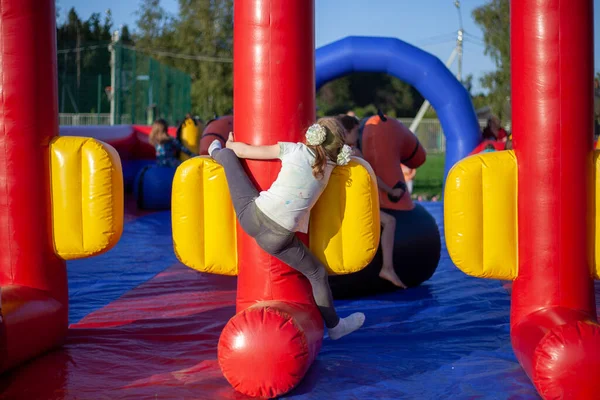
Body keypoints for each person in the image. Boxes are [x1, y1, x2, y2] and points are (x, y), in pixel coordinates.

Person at [207, 117, 365, 340]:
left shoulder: (295, 150)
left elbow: (244, 151)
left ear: (313, 134)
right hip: (277, 239)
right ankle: (334, 325)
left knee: (230, 158)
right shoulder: (331, 167)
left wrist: (231, 144)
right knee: (317, 274)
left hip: (253, 216)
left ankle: (215, 150)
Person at [337, 114, 407, 289]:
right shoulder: (353, 152)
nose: (358, 135)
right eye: (356, 131)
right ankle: (387, 267)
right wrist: (391, 191)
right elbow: (372, 177)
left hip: (340, 204)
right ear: (347, 131)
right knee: (390, 221)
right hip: (353, 205)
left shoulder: (334, 151)